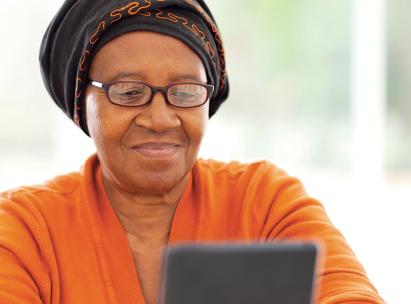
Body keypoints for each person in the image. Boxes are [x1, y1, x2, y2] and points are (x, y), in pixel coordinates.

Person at [0, 0, 385, 303]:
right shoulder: (24, 230)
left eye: (184, 93)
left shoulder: (265, 201)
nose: (160, 118)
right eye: (129, 92)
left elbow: (349, 295)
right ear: (83, 106)